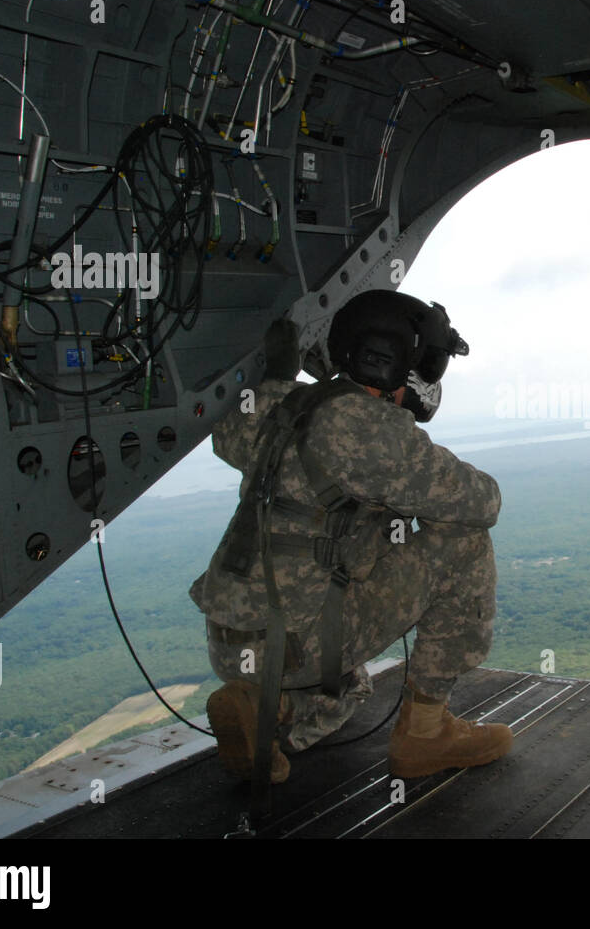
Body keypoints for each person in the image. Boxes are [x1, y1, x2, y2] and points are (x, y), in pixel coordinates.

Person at [189, 289, 512, 784]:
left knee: (347, 688)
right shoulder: (372, 430)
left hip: (233, 642)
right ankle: (426, 733)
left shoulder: (278, 404)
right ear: (387, 361)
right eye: (423, 362)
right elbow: (482, 501)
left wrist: (276, 377)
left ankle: (265, 709)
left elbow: (229, 438)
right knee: (463, 542)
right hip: (301, 644)